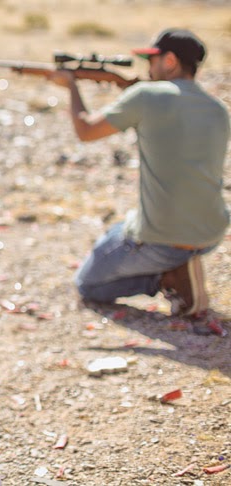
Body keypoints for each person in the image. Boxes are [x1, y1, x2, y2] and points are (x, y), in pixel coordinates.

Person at [49, 28, 229, 317]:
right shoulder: (218, 109)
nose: (148, 67)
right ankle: (179, 264)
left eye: (152, 60)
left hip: (164, 240)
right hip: (212, 232)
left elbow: (85, 130)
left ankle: (169, 277)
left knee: (87, 285)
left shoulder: (145, 95)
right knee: (117, 230)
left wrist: (71, 85)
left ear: (169, 61)